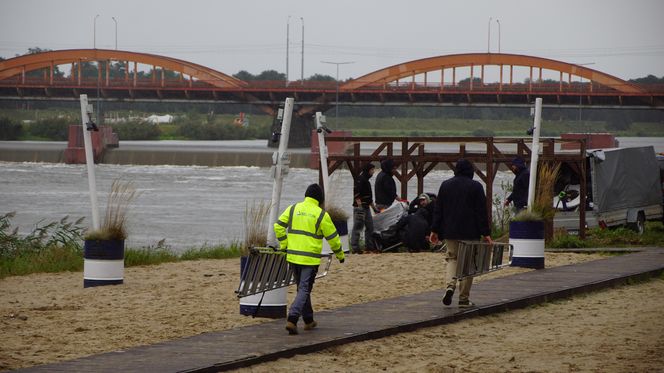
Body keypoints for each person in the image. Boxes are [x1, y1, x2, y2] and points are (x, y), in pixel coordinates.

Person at [274, 183, 345, 335]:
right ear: (320, 199)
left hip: (293, 257)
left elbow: (278, 226)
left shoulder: (293, 209)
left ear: (306, 195)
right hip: (310, 260)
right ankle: (292, 319)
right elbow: (333, 238)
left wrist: (284, 244)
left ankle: (308, 320)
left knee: (302, 289)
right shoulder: (321, 215)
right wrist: (340, 254)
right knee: (304, 289)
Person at [429, 159, 493, 308]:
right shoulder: (476, 187)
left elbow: (438, 211)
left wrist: (434, 230)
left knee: (452, 259)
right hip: (470, 232)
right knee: (468, 265)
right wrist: (486, 233)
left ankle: (450, 285)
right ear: (471, 171)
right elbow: (481, 213)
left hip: (450, 231)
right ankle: (463, 299)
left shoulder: (445, 186)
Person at [351, 162, 377, 254]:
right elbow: (357, 195)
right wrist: (360, 207)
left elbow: (369, 198)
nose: (373, 172)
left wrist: (374, 209)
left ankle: (369, 247)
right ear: (368, 170)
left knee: (370, 227)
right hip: (360, 208)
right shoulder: (360, 180)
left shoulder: (367, 181)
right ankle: (355, 248)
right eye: (372, 170)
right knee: (357, 227)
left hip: (366, 207)